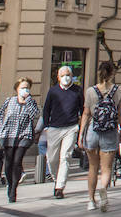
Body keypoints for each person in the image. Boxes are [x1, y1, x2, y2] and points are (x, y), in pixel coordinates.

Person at [81, 61, 121, 211]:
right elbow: (120, 113)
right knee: (106, 168)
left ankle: (91, 200)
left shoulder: (90, 91)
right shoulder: (118, 90)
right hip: (110, 131)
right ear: (113, 73)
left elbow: (86, 114)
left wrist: (81, 135)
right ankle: (103, 190)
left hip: (93, 129)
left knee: (93, 167)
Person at [0, 76, 42, 204]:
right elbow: (0, 115)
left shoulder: (31, 102)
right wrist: (0, 128)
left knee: (17, 162)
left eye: (27, 88)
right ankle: (10, 184)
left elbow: (34, 115)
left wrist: (27, 100)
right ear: (17, 89)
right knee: (9, 162)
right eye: (22, 88)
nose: (25, 90)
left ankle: (13, 190)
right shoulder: (9, 101)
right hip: (8, 135)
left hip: (24, 135)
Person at [42, 63, 84, 199]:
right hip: (54, 127)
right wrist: (47, 126)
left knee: (65, 156)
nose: (66, 77)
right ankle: (56, 179)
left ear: (72, 76)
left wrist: (82, 127)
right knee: (52, 158)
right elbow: (46, 109)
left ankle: (60, 187)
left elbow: (83, 110)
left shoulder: (77, 90)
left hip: (71, 127)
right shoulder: (53, 91)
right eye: (63, 75)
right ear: (58, 77)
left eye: (68, 75)